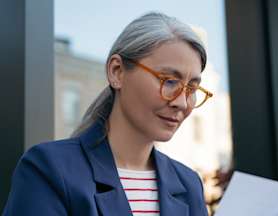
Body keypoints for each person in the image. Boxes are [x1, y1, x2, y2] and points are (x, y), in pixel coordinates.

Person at [3, 12, 213, 216]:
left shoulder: (188, 183)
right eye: (169, 81)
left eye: (192, 89)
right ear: (117, 72)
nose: (181, 102)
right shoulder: (49, 169)